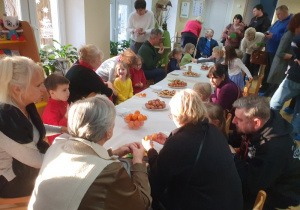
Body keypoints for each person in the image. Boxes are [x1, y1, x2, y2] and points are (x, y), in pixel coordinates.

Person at [28, 95, 151, 210]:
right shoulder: (111, 171)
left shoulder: (58, 144)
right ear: (108, 132)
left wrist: (116, 152)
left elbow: (85, 161)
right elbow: (142, 204)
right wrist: (138, 162)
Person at [143, 89, 243, 210]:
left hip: (205, 203)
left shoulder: (180, 141)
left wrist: (150, 150)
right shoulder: (212, 130)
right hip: (230, 201)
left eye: (172, 116)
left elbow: (157, 174)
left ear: (177, 116)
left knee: (146, 189)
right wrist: (170, 143)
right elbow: (191, 152)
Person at [0, 56, 65, 198]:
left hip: (24, 168)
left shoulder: (24, 104)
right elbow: (36, 161)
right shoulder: (6, 117)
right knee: (65, 186)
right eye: (38, 85)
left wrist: (61, 130)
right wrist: (67, 154)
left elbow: (34, 129)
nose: (44, 89)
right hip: (10, 180)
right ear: (17, 89)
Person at [229, 96, 300, 209]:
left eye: (239, 119)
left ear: (256, 122)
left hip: (279, 192)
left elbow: (250, 185)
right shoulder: (262, 122)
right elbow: (235, 139)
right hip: (261, 174)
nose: (233, 121)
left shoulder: (274, 148)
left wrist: (233, 157)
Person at [270, 32, 300, 140]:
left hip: (295, 77)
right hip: (295, 77)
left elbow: (296, 40)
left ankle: (270, 127)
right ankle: (294, 134)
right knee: (299, 111)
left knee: (275, 103)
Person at [260, 5, 293, 96]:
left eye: (279, 14)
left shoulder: (290, 22)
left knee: (274, 72)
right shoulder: (278, 21)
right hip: (270, 49)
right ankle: (264, 87)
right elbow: (271, 29)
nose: (277, 16)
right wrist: (268, 33)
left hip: (278, 51)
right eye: (277, 14)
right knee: (267, 70)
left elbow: (286, 38)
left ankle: (270, 92)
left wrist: (273, 36)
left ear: (285, 12)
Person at [267, 13, 300, 97]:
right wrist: (294, 57)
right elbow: (280, 53)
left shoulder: (296, 35)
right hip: (280, 67)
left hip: (287, 67)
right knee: (274, 93)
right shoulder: (288, 35)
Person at [42, 74, 70, 145]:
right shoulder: (50, 111)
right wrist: (67, 116)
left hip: (70, 137)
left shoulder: (63, 101)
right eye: (64, 90)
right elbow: (57, 133)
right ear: (52, 92)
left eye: (68, 89)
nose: (68, 92)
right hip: (60, 144)